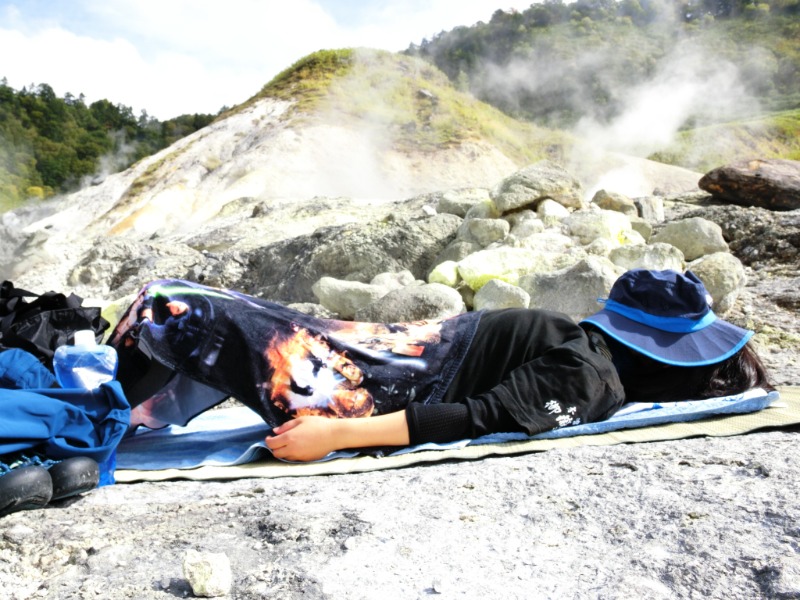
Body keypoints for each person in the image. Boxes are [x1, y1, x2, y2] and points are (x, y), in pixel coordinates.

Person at [111, 270, 773, 463]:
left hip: (370, 384)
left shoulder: (587, 373)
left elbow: (481, 419)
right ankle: (87, 410)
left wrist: (337, 433)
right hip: (388, 348)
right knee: (185, 302)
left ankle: (84, 418)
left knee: (174, 305)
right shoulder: (590, 357)